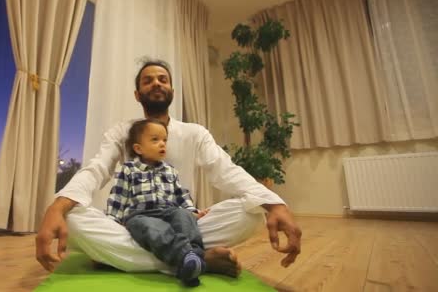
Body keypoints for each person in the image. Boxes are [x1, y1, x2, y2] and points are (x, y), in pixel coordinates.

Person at [36, 59, 302, 276]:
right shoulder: (122, 131)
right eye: (148, 80)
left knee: (252, 211)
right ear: (138, 94)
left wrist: (275, 204)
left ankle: (127, 259)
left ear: (172, 91)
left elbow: (226, 170)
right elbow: (96, 169)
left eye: (163, 79)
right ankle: (200, 260)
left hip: (183, 222)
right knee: (72, 216)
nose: (156, 83)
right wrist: (57, 207)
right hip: (137, 223)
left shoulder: (194, 132)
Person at [107, 118, 209, 286]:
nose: (162, 144)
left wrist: (191, 210)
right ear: (138, 148)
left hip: (169, 210)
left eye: (164, 140)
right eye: (155, 140)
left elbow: (180, 194)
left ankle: (194, 258)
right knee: (151, 228)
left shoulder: (170, 170)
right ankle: (185, 256)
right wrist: (113, 220)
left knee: (183, 216)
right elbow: (119, 196)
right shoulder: (129, 169)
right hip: (141, 214)